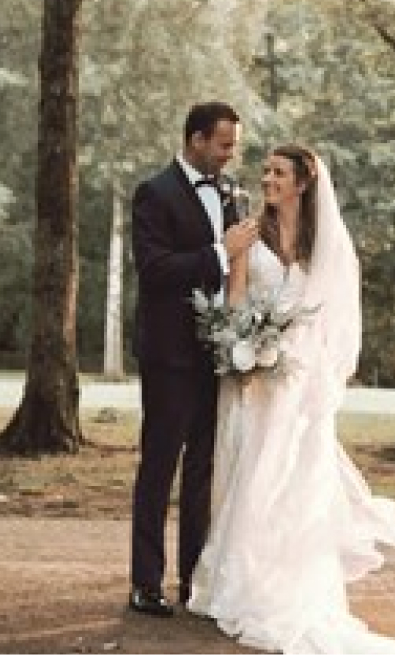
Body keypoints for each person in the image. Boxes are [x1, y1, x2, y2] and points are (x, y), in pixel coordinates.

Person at [188, 143, 395, 654]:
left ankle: (287, 578)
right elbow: (235, 298)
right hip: (253, 378)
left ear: (302, 183)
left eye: (278, 173)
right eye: (266, 171)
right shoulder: (250, 235)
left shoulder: (326, 245)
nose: (267, 179)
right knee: (252, 473)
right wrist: (238, 350)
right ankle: (238, 579)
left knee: (295, 479)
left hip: (300, 381)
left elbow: (335, 321)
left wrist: (320, 375)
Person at [127, 102, 259, 618]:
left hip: (214, 355)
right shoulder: (153, 194)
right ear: (197, 140)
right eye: (225, 144)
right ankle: (145, 583)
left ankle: (193, 582)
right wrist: (221, 252)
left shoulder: (228, 192)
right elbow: (155, 269)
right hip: (168, 356)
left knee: (204, 470)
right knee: (159, 467)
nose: (231, 155)